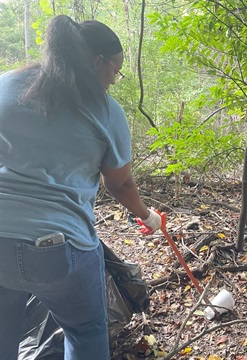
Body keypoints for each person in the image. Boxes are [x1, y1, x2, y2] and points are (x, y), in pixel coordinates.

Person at [0, 15, 162, 359]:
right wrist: (149, 218)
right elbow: (119, 185)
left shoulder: (6, 85)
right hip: (60, 248)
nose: (114, 81)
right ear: (97, 61)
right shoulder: (105, 110)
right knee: (86, 331)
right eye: (115, 72)